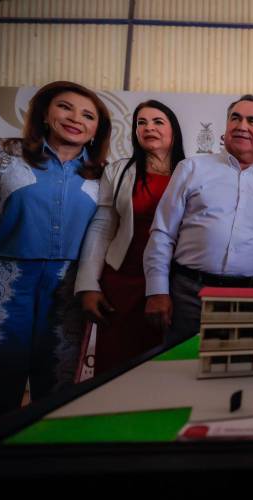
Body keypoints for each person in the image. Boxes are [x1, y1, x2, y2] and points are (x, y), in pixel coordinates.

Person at [0, 80, 111, 424]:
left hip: (67, 289)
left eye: (88, 115)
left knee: (58, 393)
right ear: (45, 114)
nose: (75, 118)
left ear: (97, 130)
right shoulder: (0, 154)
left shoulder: (106, 173)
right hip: (1, 284)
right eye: (65, 107)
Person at [143, 94, 253, 346]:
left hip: (248, 301)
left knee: (237, 366)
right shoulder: (191, 169)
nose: (241, 126)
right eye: (235, 118)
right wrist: (157, 290)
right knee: (180, 367)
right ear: (226, 128)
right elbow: (163, 232)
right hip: (188, 296)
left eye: (252, 121)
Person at [75, 100, 185, 375]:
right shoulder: (118, 170)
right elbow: (102, 227)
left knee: (165, 371)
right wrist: (88, 284)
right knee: (116, 368)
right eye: (141, 123)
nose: (148, 127)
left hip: (173, 284)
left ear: (173, 129)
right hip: (121, 283)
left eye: (158, 121)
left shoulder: (192, 171)